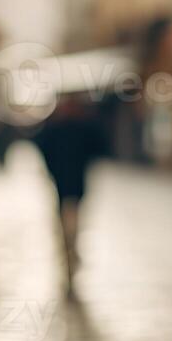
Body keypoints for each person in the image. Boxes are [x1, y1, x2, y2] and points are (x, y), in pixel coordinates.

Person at [33, 94, 109, 299]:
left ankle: (71, 256)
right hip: (62, 186)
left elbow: (100, 147)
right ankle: (68, 257)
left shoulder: (82, 128)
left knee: (72, 225)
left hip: (74, 187)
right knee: (65, 225)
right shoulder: (53, 128)